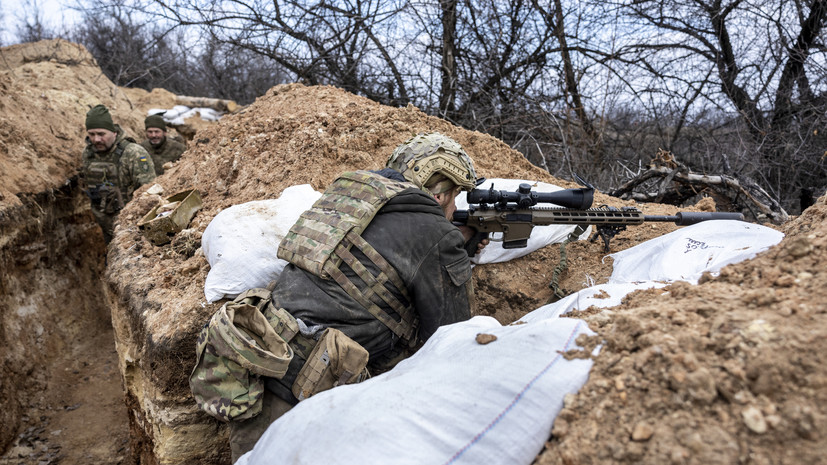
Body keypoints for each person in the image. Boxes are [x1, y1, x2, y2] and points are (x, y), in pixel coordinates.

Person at [200, 132, 486, 462]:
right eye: (454, 197)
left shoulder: (348, 193)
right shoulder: (435, 232)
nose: (453, 208)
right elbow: (450, 336)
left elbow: (370, 263)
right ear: (437, 193)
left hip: (260, 363)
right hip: (312, 392)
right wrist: (452, 255)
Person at [81, 104, 156, 243]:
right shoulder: (88, 154)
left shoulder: (133, 153)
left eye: (101, 134)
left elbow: (150, 192)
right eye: (92, 134)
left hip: (131, 227)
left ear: (114, 132)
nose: (96, 139)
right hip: (104, 222)